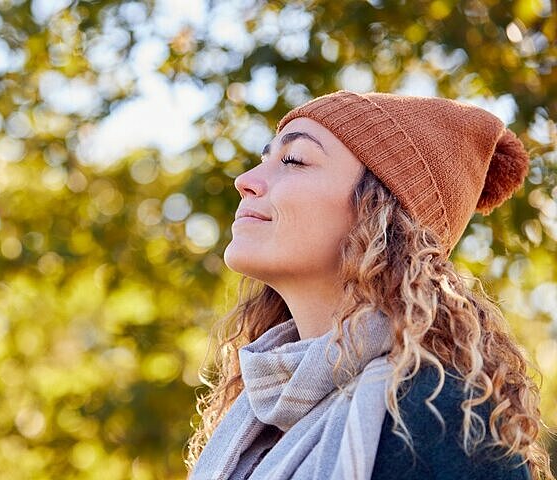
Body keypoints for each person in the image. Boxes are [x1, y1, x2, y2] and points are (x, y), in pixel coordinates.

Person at [184, 90, 555, 479]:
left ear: (378, 213)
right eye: (265, 159)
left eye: (293, 160)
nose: (245, 180)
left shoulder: (438, 418)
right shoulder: (258, 422)